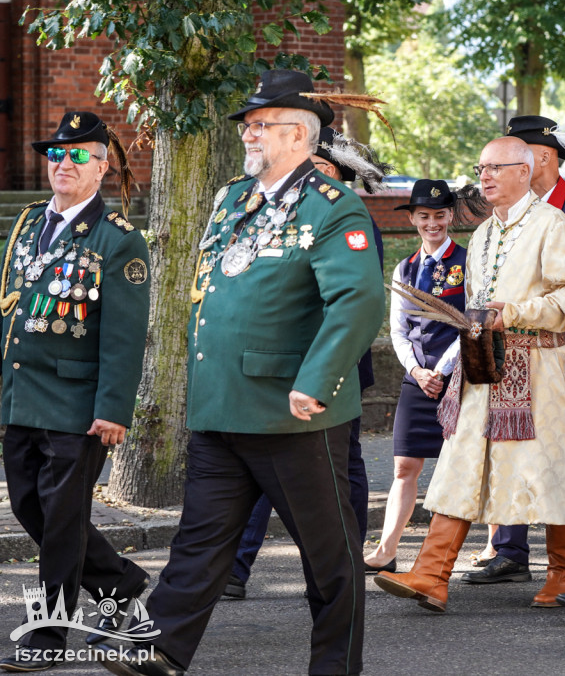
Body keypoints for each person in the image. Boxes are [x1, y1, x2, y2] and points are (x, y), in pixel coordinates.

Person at [97, 69, 385, 676]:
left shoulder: (335, 208)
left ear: (301, 135)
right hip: (222, 407)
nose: (248, 135)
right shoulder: (234, 198)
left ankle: (335, 667)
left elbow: (356, 302)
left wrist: (317, 377)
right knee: (199, 542)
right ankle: (161, 648)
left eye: (261, 126)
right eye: (248, 126)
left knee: (329, 560)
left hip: (292, 415)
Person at [374, 136, 565, 612]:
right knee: (459, 463)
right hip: (482, 365)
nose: (486, 176)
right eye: (481, 168)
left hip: (540, 367)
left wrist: (513, 311)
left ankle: (564, 575)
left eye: (496, 167)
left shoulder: (553, 224)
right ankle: (432, 575)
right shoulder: (480, 234)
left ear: (525, 170)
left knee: (552, 470)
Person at [0, 111, 151, 672]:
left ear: (102, 166)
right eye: (57, 153)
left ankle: (45, 639)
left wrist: (113, 410)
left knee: (62, 524)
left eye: (79, 154)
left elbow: (123, 336)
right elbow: (9, 313)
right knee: (28, 507)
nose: (64, 162)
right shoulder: (29, 224)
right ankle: (120, 581)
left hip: (77, 406)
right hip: (22, 397)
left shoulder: (118, 242)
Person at [222, 127, 389, 598]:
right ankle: (236, 566)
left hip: (331, 364)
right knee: (259, 461)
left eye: (319, 170)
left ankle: (343, 561)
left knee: (344, 469)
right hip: (278, 362)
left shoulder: (347, 217)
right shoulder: (273, 211)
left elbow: (354, 301)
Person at [467, 116, 565, 587]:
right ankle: (511, 549)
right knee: (504, 447)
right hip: (504, 352)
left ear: (542, 158)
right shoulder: (499, 221)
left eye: (515, 156)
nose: (492, 172)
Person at [362, 179, 470, 573]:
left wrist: (440, 371)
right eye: (424, 216)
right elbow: (398, 329)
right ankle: (387, 550)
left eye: (439, 215)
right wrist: (417, 371)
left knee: (465, 465)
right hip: (417, 377)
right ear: (412, 219)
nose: (432, 223)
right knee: (404, 467)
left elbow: (470, 324)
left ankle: (493, 548)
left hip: (458, 377)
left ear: (450, 217)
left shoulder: (467, 261)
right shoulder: (404, 267)